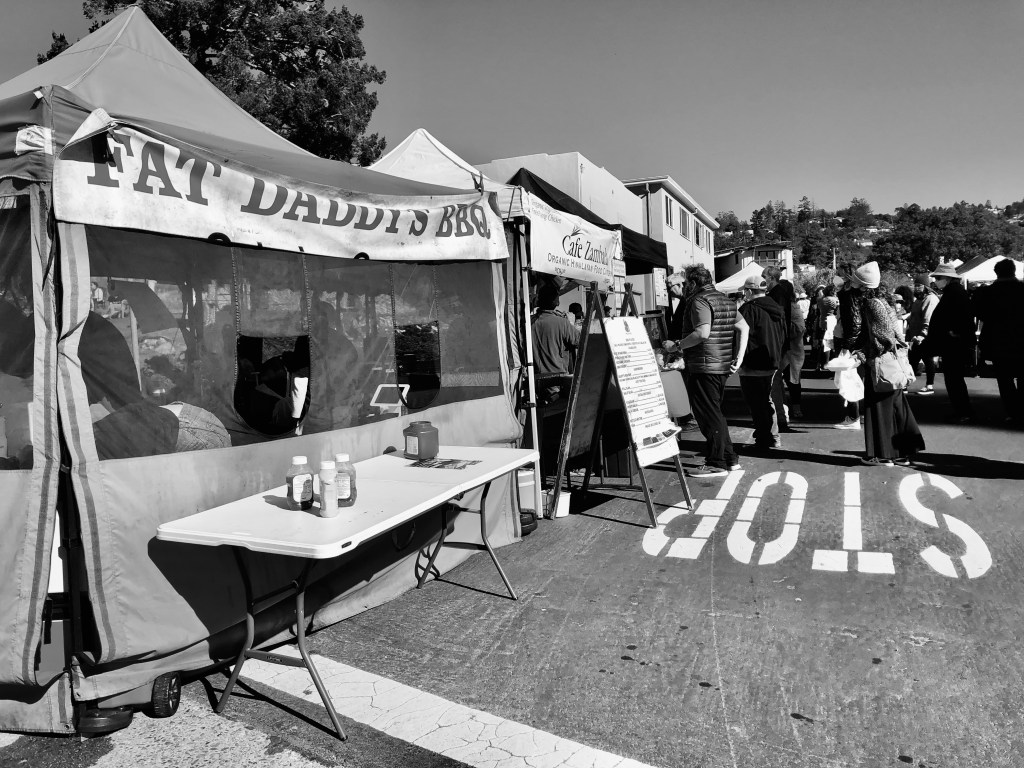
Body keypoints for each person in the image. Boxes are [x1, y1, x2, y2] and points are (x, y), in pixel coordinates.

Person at [662, 265, 748, 477]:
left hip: (704, 366)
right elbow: (744, 327)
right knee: (714, 413)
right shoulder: (724, 299)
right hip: (720, 365)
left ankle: (716, 463)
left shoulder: (699, 300)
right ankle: (729, 458)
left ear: (692, 283)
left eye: (685, 283)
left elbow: (702, 332)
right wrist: (739, 357)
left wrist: (676, 346)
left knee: (709, 416)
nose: (684, 287)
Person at [848, 261, 925, 467]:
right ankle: (902, 453)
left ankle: (883, 454)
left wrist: (861, 356)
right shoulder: (883, 301)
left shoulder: (872, 304)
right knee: (897, 408)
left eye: (855, 283)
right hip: (894, 363)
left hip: (882, 364)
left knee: (879, 409)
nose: (852, 286)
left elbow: (882, 339)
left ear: (863, 286)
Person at [736, 275, 787, 451]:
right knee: (766, 400)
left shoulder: (748, 309)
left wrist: (738, 360)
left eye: (745, 291)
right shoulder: (777, 307)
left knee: (757, 403)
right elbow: (784, 334)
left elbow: (740, 336)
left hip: (753, 362)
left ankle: (765, 439)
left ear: (750, 291)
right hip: (772, 360)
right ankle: (772, 436)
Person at [973, 258, 1024, 424]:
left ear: (996, 273)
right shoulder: (1021, 289)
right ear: (1014, 271)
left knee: (1004, 379)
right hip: (1021, 341)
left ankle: (1013, 412)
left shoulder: (988, 292)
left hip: (998, 342)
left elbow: (979, 313)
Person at [926, 263, 975, 423]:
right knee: (954, 379)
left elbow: (959, 317)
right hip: (953, 342)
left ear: (947, 278)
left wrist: (954, 332)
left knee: (954, 379)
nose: (936, 281)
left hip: (954, 344)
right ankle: (961, 410)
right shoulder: (954, 292)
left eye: (938, 278)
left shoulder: (954, 293)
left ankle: (963, 411)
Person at [763, 265, 804, 422]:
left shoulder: (784, 301)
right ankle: (785, 410)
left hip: (790, 347)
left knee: (787, 379)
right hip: (790, 346)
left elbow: (798, 328)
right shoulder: (787, 302)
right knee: (785, 379)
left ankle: (785, 411)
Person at [532, 283, 579, 406]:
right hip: (558, 382)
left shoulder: (530, 322)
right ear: (556, 302)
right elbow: (580, 341)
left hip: (535, 382)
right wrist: (571, 323)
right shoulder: (562, 323)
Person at [833, 267, 862, 430]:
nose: (836, 278)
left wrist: (846, 346)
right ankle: (854, 415)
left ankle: (853, 417)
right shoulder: (848, 295)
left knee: (848, 379)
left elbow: (854, 323)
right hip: (847, 340)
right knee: (851, 378)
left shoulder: (849, 296)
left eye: (839, 275)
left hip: (848, 342)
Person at [906, 274, 939, 395]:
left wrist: (922, 335)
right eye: (915, 285)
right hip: (916, 336)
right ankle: (905, 385)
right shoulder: (918, 300)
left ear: (926, 286)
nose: (916, 288)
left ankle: (929, 386)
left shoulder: (930, 299)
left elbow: (928, 319)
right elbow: (913, 318)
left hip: (925, 336)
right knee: (912, 360)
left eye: (919, 286)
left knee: (927, 359)